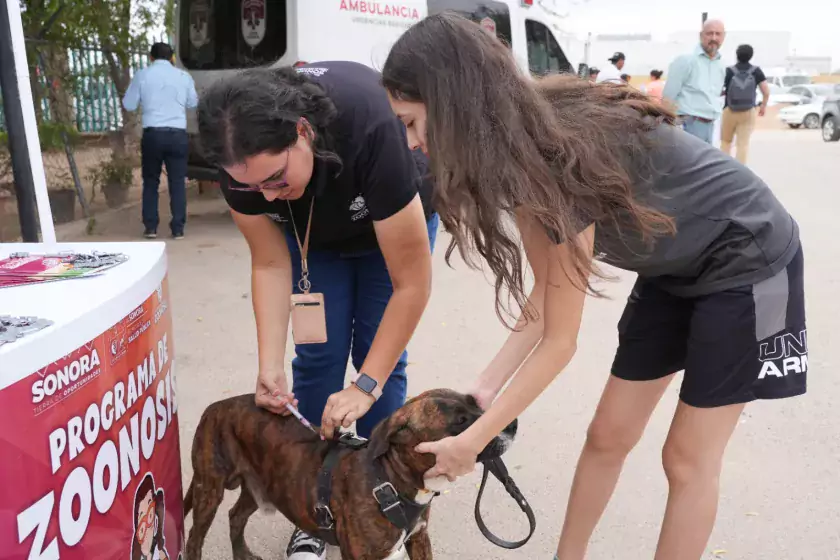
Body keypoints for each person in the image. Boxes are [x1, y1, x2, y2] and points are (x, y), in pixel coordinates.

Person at [382, 13, 805, 560]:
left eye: (414, 124)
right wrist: (482, 396)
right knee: (607, 436)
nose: (414, 145)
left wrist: (473, 441)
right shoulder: (517, 157)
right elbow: (544, 300)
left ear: (454, 106)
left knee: (686, 457)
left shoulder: (558, 153)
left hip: (753, 261)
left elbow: (562, 340)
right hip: (674, 267)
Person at [197, 61, 438, 560]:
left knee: (378, 361)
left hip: (386, 225)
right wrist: (268, 366)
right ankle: (318, 503)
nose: (266, 194)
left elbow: (410, 283)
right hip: (313, 238)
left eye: (276, 178)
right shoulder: (242, 163)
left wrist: (365, 384)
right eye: (253, 187)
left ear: (303, 131)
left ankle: (386, 499)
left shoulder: (369, 119)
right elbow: (268, 262)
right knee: (317, 360)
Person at [123, 42, 198, 240]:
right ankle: (178, 228)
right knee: (177, 182)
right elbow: (193, 102)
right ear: (172, 57)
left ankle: (151, 227)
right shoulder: (183, 76)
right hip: (177, 135)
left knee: (150, 181)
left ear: (151, 58)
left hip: (153, 134)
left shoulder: (142, 75)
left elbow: (129, 104)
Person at [662, 19, 727, 143]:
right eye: (710, 33)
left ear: (724, 36)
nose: (714, 38)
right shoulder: (685, 61)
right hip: (688, 125)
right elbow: (668, 97)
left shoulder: (721, 65)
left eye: (718, 34)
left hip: (711, 125)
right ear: (701, 35)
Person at [720, 44, 770, 164]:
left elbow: (719, 90)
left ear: (736, 55)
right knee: (743, 144)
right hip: (748, 111)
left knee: (726, 142)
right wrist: (763, 106)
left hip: (729, 110)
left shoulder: (729, 71)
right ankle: (740, 171)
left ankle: (723, 168)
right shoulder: (756, 71)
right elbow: (766, 91)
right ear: (751, 56)